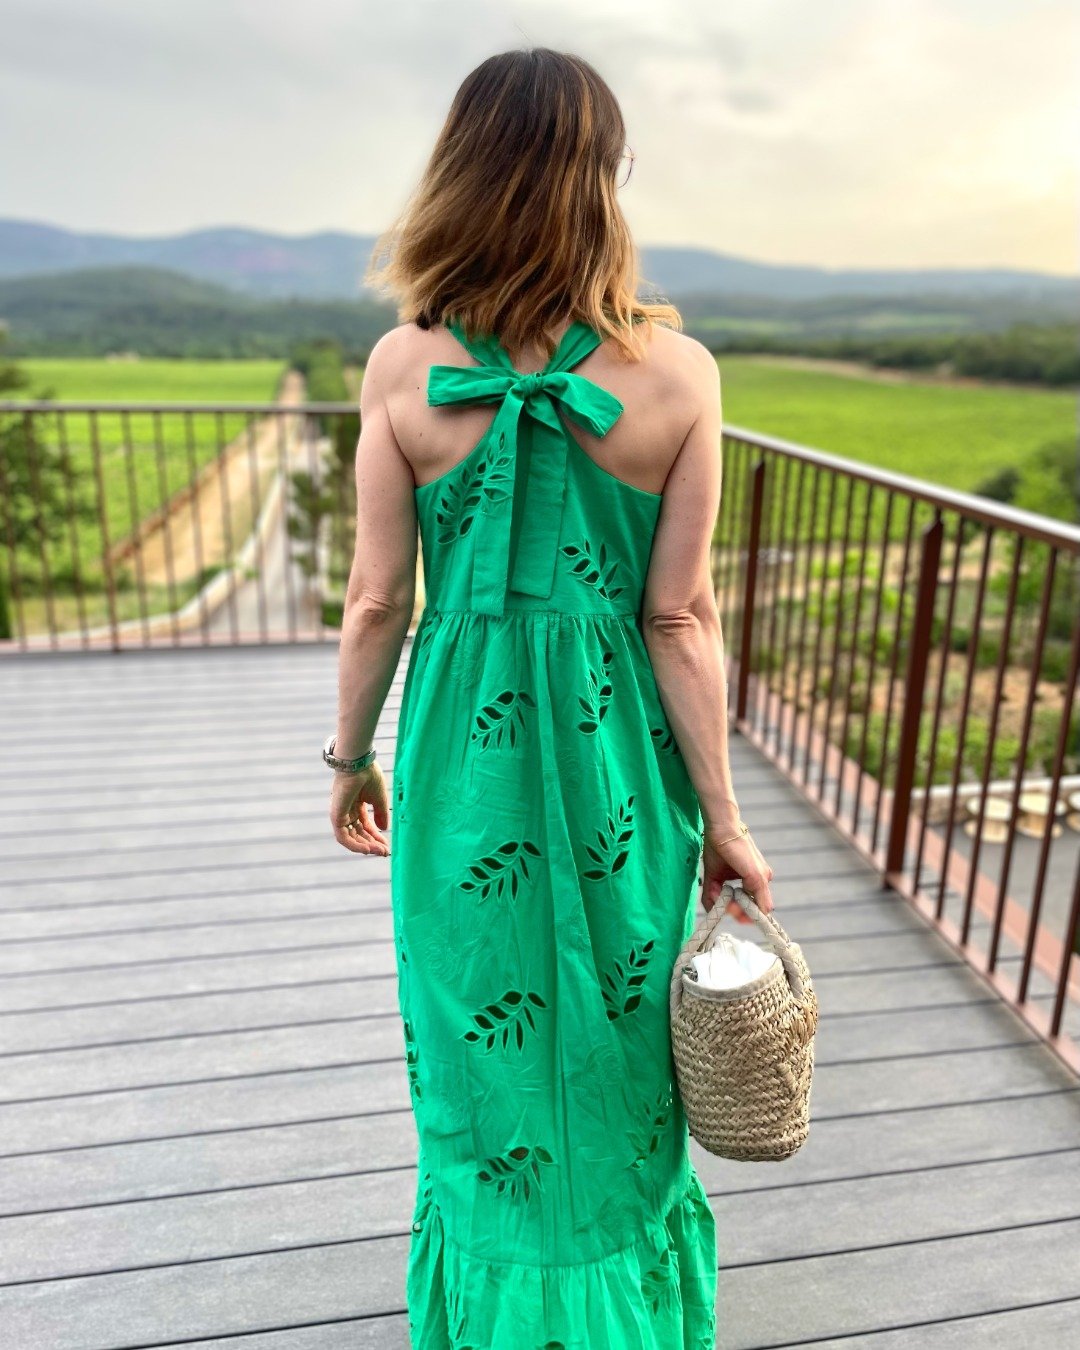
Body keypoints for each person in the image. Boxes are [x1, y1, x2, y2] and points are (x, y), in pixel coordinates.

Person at [325, 45, 776, 1350]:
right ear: (603, 182)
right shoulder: (679, 377)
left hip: (460, 772)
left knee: (481, 1053)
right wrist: (726, 819)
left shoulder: (402, 368)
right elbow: (679, 619)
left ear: (456, 176)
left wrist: (349, 757)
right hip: (618, 774)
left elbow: (376, 599)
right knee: (620, 1053)